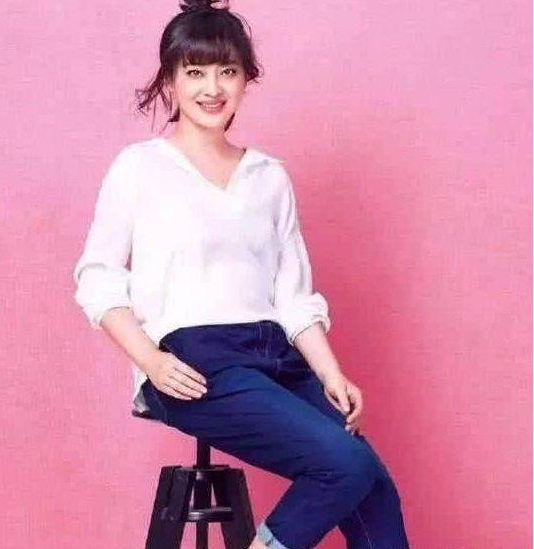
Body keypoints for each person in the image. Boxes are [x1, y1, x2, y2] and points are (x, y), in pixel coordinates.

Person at [72, 1, 411, 548]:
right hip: (194, 359)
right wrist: (150, 360)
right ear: (170, 80)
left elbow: (293, 296)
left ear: (246, 79)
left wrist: (331, 374)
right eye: (195, 72)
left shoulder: (268, 176)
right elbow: (98, 278)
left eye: (227, 71)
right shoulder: (139, 168)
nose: (212, 88)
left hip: (275, 354)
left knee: (373, 485)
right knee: (344, 463)